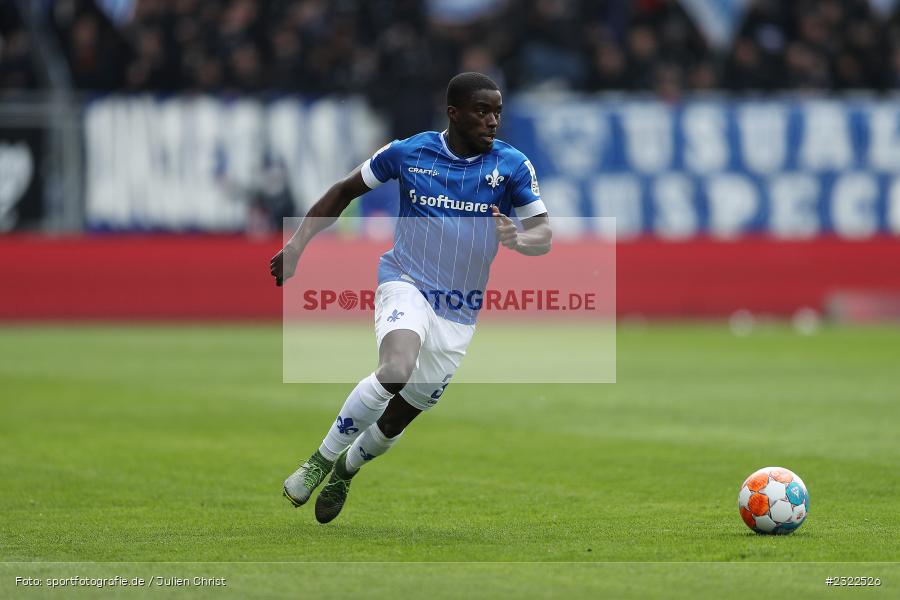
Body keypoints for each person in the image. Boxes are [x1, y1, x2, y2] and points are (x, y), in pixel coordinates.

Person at [270, 72, 551, 523]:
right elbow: (344, 190)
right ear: (454, 113)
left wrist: (518, 238)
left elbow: (543, 233)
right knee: (395, 369)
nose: (493, 120)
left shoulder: (512, 165)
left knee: (395, 421)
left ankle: (346, 469)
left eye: (497, 111)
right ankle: (319, 460)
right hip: (406, 280)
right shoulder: (409, 152)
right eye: (482, 111)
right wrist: (297, 244)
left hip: (459, 311)